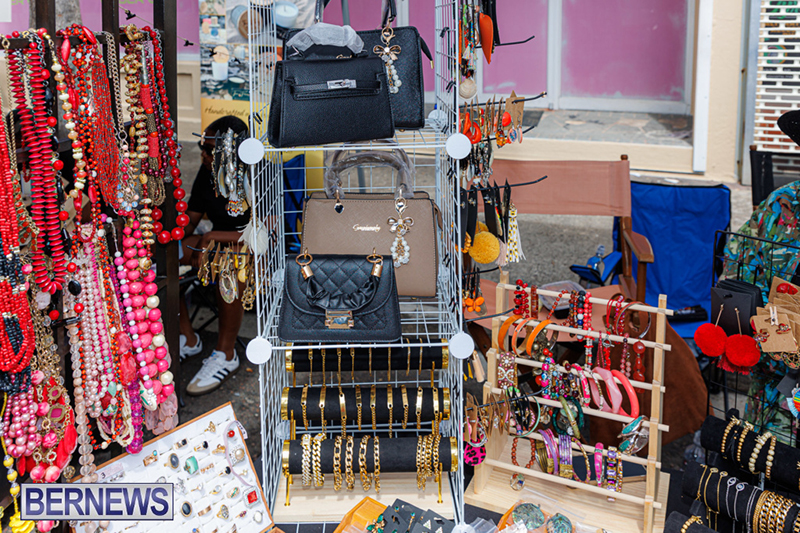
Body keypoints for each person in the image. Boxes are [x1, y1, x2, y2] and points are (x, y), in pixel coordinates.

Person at [180, 115, 250, 396]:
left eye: (210, 150)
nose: (203, 154)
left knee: (230, 261)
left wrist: (211, 239)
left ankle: (226, 354)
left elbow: (263, 237)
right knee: (157, 254)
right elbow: (189, 223)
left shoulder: (258, 173)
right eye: (202, 147)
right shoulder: (207, 173)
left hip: (248, 252)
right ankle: (188, 337)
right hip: (216, 246)